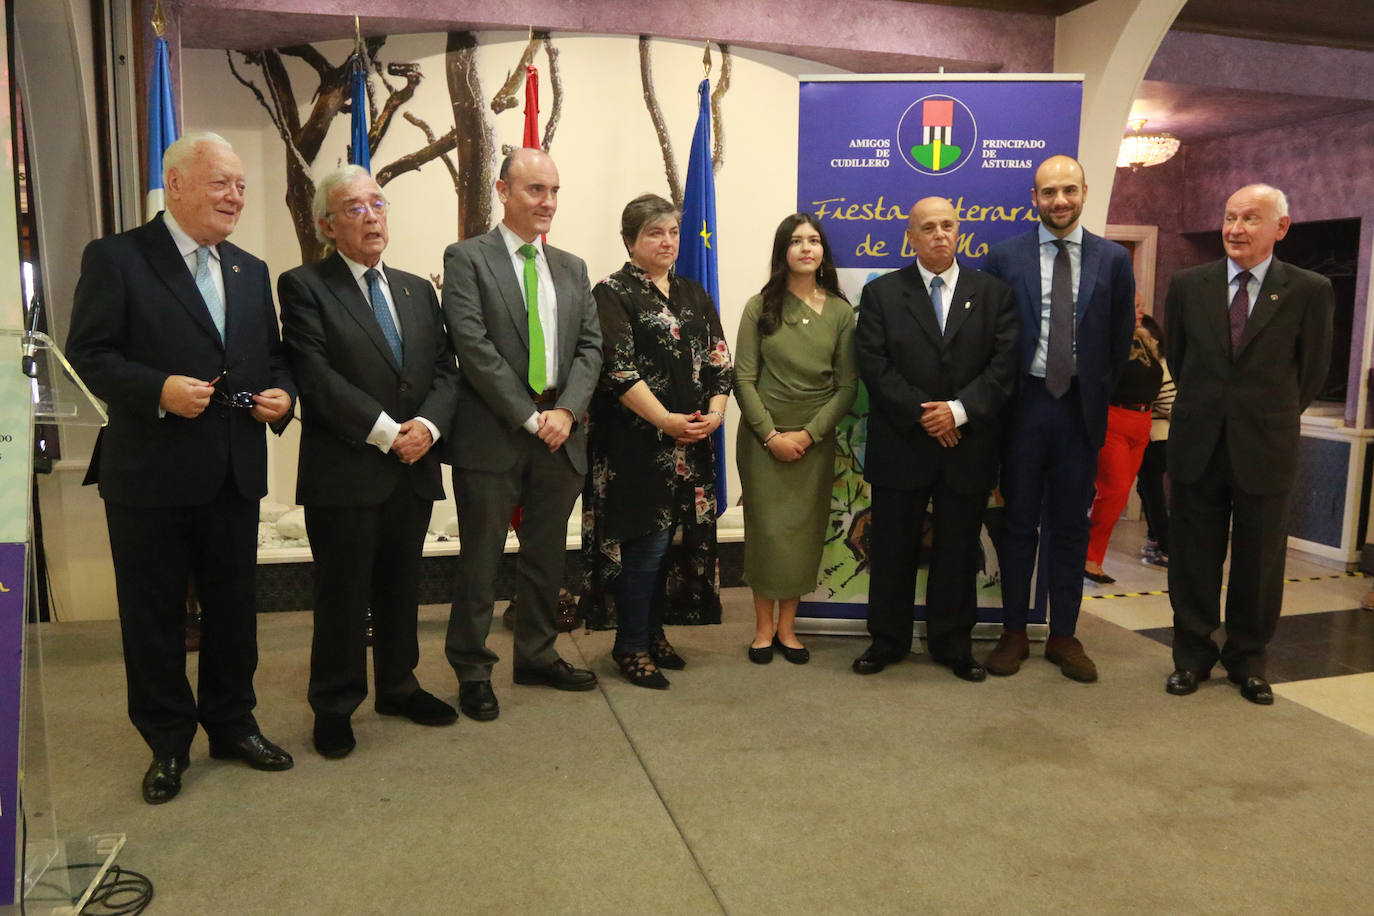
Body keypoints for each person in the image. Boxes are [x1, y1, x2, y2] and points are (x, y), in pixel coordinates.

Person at [65, 132, 297, 804]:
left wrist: (282, 395)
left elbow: (273, 358)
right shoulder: (118, 258)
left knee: (234, 611)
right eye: (221, 182)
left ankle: (232, 723)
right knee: (155, 617)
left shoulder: (249, 270)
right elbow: (90, 353)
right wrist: (159, 389)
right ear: (175, 184)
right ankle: (167, 742)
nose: (235, 197)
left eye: (241, 186)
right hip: (149, 476)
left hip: (233, 471)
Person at [278, 166, 461, 758]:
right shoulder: (305, 285)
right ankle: (334, 704)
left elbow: (442, 372)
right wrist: (388, 434)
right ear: (328, 225)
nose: (371, 216)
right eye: (354, 208)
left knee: (401, 587)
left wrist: (428, 427)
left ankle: (399, 686)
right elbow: (315, 376)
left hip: (412, 467)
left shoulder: (415, 288)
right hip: (347, 472)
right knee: (342, 597)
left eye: (377, 203)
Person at [440, 148, 603, 720]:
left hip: (561, 433)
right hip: (495, 434)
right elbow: (473, 347)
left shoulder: (573, 267)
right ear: (504, 192)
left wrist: (568, 412)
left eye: (554, 191)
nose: (548, 203)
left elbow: (590, 347)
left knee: (545, 557)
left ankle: (536, 654)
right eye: (536, 190)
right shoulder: (467, 259)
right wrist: (530, 416)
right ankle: (473, 668)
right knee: (481, 559)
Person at [1164, 184, 1333, 705]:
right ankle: (1191, 657)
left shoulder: (1308, 289)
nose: (1236, 229)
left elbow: (1312, 373)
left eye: (1250, 219)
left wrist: (1264, 416)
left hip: (1266, 447)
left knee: (1260, 563)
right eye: (1230, 217)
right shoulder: (1189, 285)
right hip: (1199, 445)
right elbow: (1179, 355)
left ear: (1280, 228)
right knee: (1193, 559)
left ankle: (1248, 660)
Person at [982, 154, 1135, 683]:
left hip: (1079, 412)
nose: (1060, 201)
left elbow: (1119, 344)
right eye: (1049, 192)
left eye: (1069, 190)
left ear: (1085, 192)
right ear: (1034, 198)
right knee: (1018, 524)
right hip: (1022, 409)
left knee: (1071, 526)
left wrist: (1089, 393)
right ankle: (1015, 632)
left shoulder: (1113, 259)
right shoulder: (1004, 257)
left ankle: (1065, 635)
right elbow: (991, 341)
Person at [851, 197, 1018, 679]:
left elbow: (1003, 367)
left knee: (958, 549)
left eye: (948, 225)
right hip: (903, 442)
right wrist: (928, 414)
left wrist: (958, 412)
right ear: (911, 236)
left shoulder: (993, 294)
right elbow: (874, 365)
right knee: (892, 549)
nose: (940, 234)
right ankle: (886, 641)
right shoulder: (882, 293)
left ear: (959, 230)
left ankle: (952, 645)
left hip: (967, 445)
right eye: (928, 227)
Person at [580, 193, 734, 688]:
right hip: (635, 447)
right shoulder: (612, 291)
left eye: (671, 232)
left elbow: (719, 363)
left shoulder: (693, 292)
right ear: (630, 240)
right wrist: (667, 420)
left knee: (674, 545)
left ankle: (653, 631)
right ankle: (629, 645)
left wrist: (714, 415)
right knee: (643, 546)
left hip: (693, 443)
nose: (666, 242)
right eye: (654, 233)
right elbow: (618, 370)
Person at [734, 213, 856, 665]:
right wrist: (771, 436)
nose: (807, 248)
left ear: (823, 251)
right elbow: (743, 379)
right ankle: (763, 629)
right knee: (767, 532)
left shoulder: (842, 313)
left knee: (803, 533)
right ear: (782, 251)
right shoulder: (758, 306)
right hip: (764, 440)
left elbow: (846, 387)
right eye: (797, 241)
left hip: (815, 441)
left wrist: (808, 434)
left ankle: (789, 629)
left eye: (814, 240)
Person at [1083, 293, 1165, 584]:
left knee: (1118, 497)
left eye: (1142, 305)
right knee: (1114, 491)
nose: (1140, 311)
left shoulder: (1147, 340)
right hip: (1114, 420)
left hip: (1142, 423)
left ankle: (1093, 559)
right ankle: (1088, 556)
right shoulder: (1105, 340)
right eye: (1134, 305)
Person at [1135, 310, 1174, 569]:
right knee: (1146, 490)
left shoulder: (1158, 365)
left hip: (1157, 437)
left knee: (1152, 492)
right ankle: (1155, 539)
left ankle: (1165, 545)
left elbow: (1170, 402)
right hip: (1154, 436)